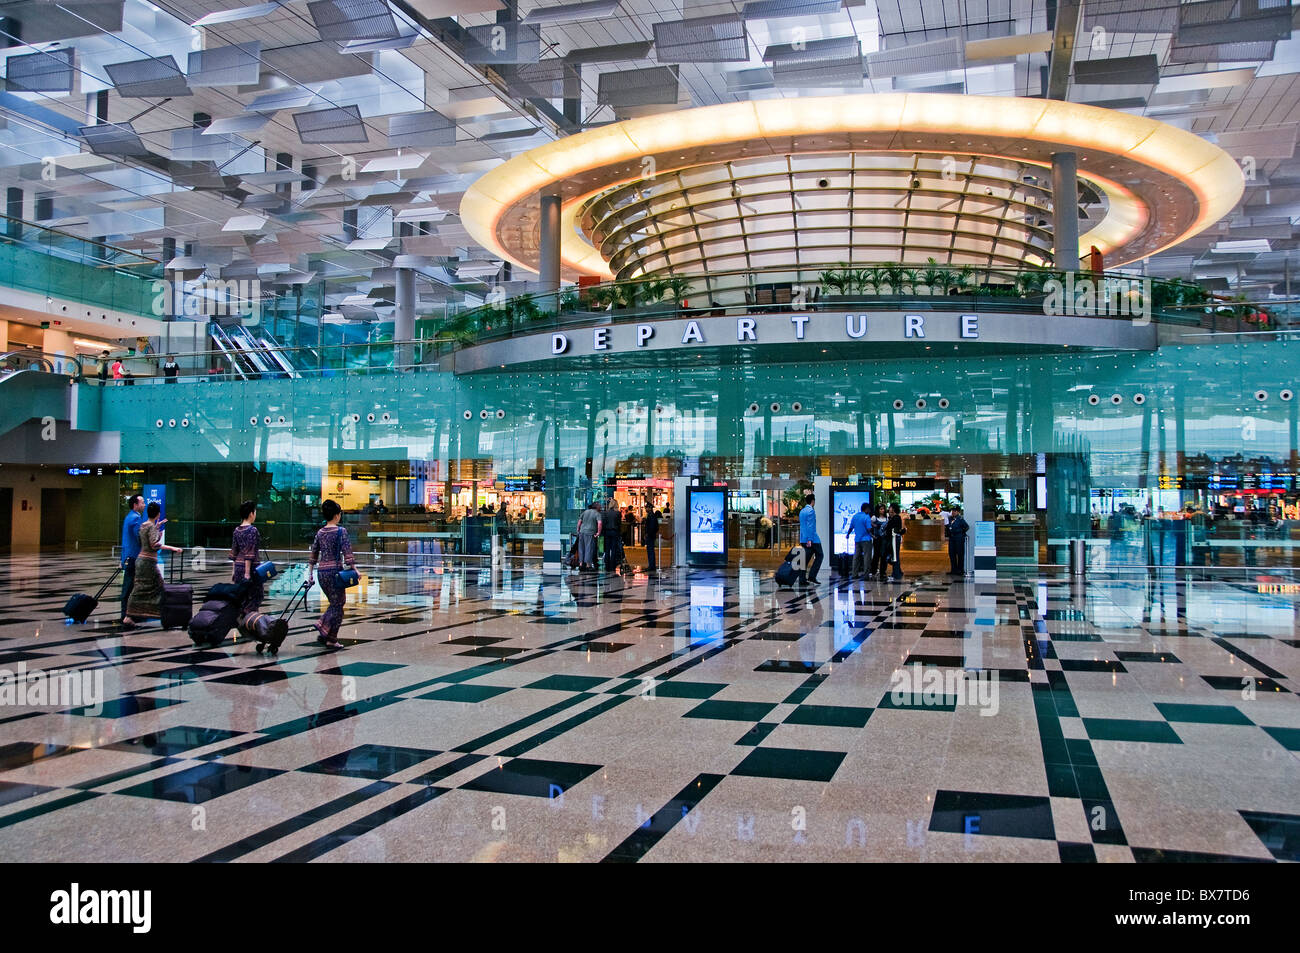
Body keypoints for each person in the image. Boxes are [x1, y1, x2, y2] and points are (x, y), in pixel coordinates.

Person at [122, 502, 183, 625]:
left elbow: (145, 539)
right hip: (148, 562)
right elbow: (154, 544)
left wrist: (157, 527)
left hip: (141, 560)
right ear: (158, 514)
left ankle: (130, 615)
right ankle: (163, 614)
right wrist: (172, 548)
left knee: (138, 588)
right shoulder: (150, 527)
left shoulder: (144, 525)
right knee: (159, 586)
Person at [307, 500, 356, 650]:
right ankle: (323, 627)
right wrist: (355, 568)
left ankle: (330, 638)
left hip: (322, 572)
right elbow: (347, 552)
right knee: (338, 604)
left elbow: (314, 553)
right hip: (335, 572)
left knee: (336, 604)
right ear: (336, 515)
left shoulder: (320, 532)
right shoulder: (341, 532)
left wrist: (310, 574)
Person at [230, 500, 265, 616]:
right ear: (251, 514)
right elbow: (250, 553)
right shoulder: (252, 530)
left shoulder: (237, 530)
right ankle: (249, 619)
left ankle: (244, 617)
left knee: (243, 595)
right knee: (257, 594)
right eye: (254, 512)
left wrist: (234, 571)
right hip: (250, 568)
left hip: (239, 567)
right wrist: (247, 573)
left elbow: (234, 552)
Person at [119, 494, 145, 619]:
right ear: (135, 505)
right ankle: (126, 615)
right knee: (129, 587)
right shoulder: (135, 518)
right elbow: (139, 537)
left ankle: (129, 614)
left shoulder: (129, 517)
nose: (144, 505)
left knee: (130, 585)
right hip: (133, 557)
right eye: (142, 503)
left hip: (128, 556)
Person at [798, 492, 823, 585]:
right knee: (820, 555)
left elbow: (803, 526)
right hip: (812, 539)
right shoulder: (811, 511)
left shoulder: (802, 511)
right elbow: (810, 526)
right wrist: (810, 539)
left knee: (805, 559)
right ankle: (812, 576)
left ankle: (802, 579)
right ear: (813, 501)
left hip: (803, 538)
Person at [847, 502, 873, 580]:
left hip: (857, 539)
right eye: (869, 509)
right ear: (866, 509)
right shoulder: (866, 517)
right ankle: (866, 575)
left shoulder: (855, 516)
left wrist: (847, 534)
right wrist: (873, 535)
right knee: (867, 557)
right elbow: (869, 529)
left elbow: (851, 527)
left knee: (856, 557)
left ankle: (854, 574)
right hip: (866, 540)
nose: (870, 510)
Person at [945, 505, 970, 576]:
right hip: (952, 538)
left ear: (958, 512)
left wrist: (961, 532)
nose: (953, 512)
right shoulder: (950, 518)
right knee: (952, 554)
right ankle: (953, 569)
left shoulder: (960, 519)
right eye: (952, 511)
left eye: (954, 511)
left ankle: (960, 570)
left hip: (959, 538)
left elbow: (966, 527)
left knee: (960, 554)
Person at [577, 501, 601, 572]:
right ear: (596, 507)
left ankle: (581, 564)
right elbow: (600, 523)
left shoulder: (585, 512)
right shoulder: (597, 513)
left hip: (582, 532)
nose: (601, 507)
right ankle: (588, 565)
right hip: (590, 533)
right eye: (599, 506)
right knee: (589, 548)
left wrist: (578, 530)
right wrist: (598, 532)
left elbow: (579, 522)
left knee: (581, 548)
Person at [885, 503, 906, 581]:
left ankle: (896, 573)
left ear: (893, 509)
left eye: (890, 508)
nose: (889, 509)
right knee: (895, 556)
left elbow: (894, 529)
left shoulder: (896, 518)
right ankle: (897, 572)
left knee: (894, 556)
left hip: (894, 538)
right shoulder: (895, 517)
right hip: (895, 538)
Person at [603, 499, 624, 571]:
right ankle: (612, 564)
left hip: (607, 532)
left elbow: (604, 523)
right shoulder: (618, 513)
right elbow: (619, 524)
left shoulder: (606, 513)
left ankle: (607, 564)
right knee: (614, 548)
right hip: (615, 532)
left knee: (607, 549)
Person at [870, 504, 889, 580]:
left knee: (884, 555)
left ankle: (883, 572)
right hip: (877, 539)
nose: (882, 510)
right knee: (876, 555)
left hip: (884, 539)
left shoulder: (887, 517)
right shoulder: (874, 517)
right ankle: (873, 570)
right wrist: (874, 527)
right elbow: (869, 524)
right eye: (880, 509)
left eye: (883, 509)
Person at [644, 507, 660, 572]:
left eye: (646, 507)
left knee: (650, 550)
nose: (645, 509)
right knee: (650, 550)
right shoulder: (652, 515)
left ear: (650, 508)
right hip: (651, 535)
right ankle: (651, 565)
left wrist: (648, 533)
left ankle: (651, 565)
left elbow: (651, 526)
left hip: (650, 535)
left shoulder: (651, 516)